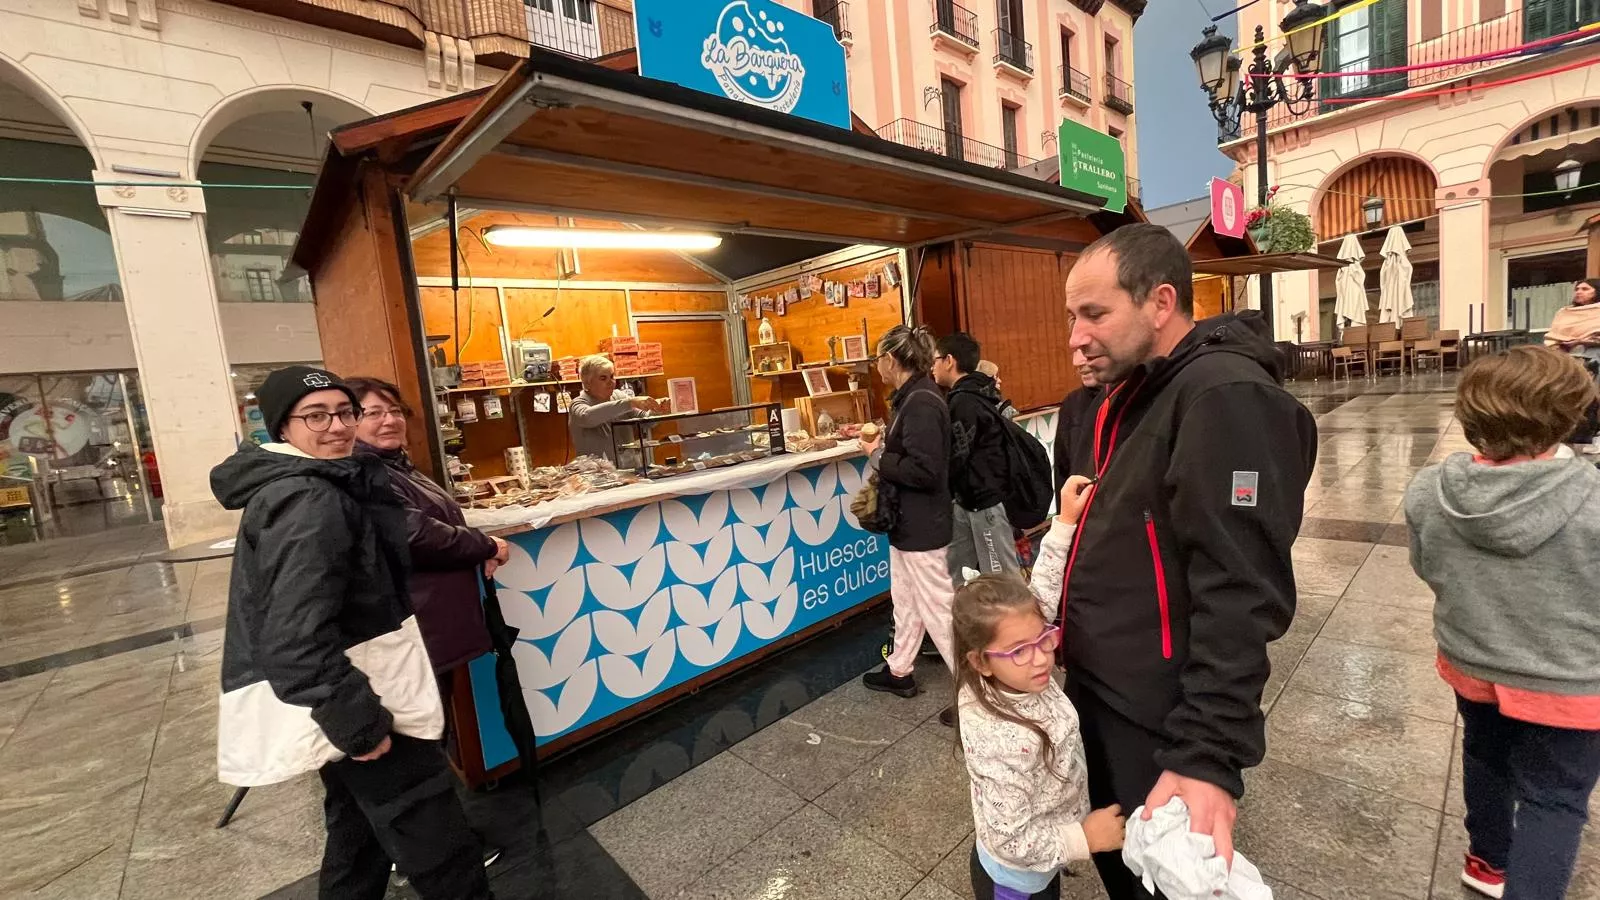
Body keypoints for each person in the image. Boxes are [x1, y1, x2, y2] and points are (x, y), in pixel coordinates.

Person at [1061, 223, 1317, 898]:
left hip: (1157, 711)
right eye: (1071, 317)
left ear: (1161, 302)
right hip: (1106, 686)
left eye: (1094, 314)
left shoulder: (1222, 395)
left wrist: (1207, 751)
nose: (1076, 337)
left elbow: (1242, 586)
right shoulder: (1142, 388)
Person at [211, 366, 492, 900]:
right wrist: (359, 726)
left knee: (357, 836)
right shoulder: (309, 501)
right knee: (444, 853)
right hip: (365, 700)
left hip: (358, 689)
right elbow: (293, 638)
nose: (337, 426)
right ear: (282, 427)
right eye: (316, 416)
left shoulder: (323, 482)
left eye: (345, 412)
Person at [1406, 345, 1600, 900]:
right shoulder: (1591, 499)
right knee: (1553, 800)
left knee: (1485, 757)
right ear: (1568, 413)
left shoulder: (1430, 491)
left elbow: (1428, 566)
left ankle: (1487, 859)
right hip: (1568, 680)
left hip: (1473, 661)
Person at [956, 475, 1126, 900]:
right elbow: (1011, 841)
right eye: (1019, 651)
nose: (1039, 658)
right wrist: (1084, 838)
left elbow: (1041, 598)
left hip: (1045, 856)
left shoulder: (1010, 667)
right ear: (980, 662)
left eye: (1042, 640)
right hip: (1015, 883)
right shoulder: (1000, 738)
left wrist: (1064, 521)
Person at [348, 377, 509, 737]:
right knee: (419, 730)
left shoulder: (395, 466)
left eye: (394, 411)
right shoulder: (362, 472)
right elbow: (415, 535)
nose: (389, 420)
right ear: (349, 421)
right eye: (373, 413)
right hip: (410, 628)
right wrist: (485, 546)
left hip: (431, 625)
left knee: (434, 721)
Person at [858, 325, 959, 715]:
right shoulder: (915, 397)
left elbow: (925, 470)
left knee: (940, 610)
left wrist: (877, 455)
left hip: (922, 527)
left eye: (878, 358)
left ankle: (978, 696)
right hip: (910, 525)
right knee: (906, 601)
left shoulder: (921, 403)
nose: (877, 366)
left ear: (890, 359)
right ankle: (899, 669)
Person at [934, 332, 1022, 583]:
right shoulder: (976, 395)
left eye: (935, 360)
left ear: (949, 361)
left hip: (983, 502)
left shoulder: (965, 401)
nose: (932, 366)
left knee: (1002, 580)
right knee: (959, 575)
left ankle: (1014, 611)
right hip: (969, 501)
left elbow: (959, 453)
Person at [568, 355, 661, 462]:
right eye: (603, 378)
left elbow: (646, 421)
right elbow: (587, 417)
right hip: (598, 471)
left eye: (612, 376)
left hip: (629, 469)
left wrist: (657, 409)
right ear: (587, 382)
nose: (610, 382)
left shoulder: (619, 396)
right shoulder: (577, 404)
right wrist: (630, 403)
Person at [1053, 352, 1103, 498]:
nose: (1078, 362)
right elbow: (1062, 471)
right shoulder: (1071, 405)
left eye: (1086, 349)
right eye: (1075, 351)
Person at [1544, 277, 1600, 365]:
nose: (1578, 292)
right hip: (1563, 356)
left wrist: (1581, 342)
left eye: (1585, 289)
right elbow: (1553, 336)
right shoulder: (1564, 312)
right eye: (1577, 289)